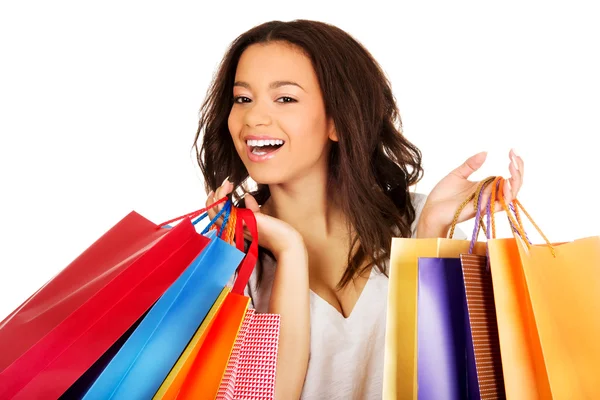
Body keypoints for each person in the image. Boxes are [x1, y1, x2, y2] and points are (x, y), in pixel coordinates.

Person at [195, 20, 524, 399]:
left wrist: (431, 232)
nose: (253, 118)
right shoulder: (227, 261)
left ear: (337, 120)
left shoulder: (417, 223)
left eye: (285, 98)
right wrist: (287, 249)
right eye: (242, 99)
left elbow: (459, 380)